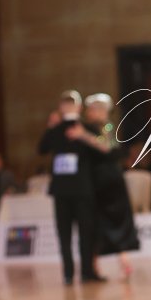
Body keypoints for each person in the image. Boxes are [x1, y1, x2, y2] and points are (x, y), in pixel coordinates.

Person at [37, 90, 109, 285]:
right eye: (65, 104)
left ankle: (85, 271)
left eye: (71, 103)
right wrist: (50, 127)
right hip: (63, 190)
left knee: (85, 232)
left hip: (82, 189)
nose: (68, 107)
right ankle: (69, 273)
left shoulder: (86, 128)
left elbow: (106, 150)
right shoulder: (56, 129)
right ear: (61, 107)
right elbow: (42, 149)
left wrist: (83, 136)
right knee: (65, 233)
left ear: (78, 107)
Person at [84, 93, 140, 279]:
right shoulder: (86, 129)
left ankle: (124, 260)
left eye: (100, 109)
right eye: (94, 109)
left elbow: (112, 150)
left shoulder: (108, 128)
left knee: (118, 219)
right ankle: (93, 266)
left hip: (113, 180)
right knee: (96, 222)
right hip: (96, 181)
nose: (97, 112)